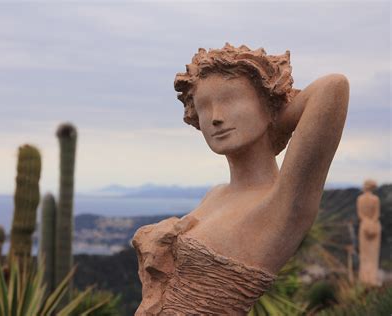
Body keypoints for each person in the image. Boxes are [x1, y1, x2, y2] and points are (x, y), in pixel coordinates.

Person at [132, 43, 349, 315]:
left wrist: (274, 117)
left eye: (231, 101)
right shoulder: (216, 194)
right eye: (204, 107)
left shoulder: (282, 202)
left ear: (268, 104)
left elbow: (333, 87)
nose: (216, 118)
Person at [357, 179, 382, 286]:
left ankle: (364, 278)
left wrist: (366, 223)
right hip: (375, 226)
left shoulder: (360, 199)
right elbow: (377, 214)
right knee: (373, 255)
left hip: (364, 226)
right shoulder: (375, 199)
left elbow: (360, 215)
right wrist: (371, 223)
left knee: (364, 255)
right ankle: (372, 278)